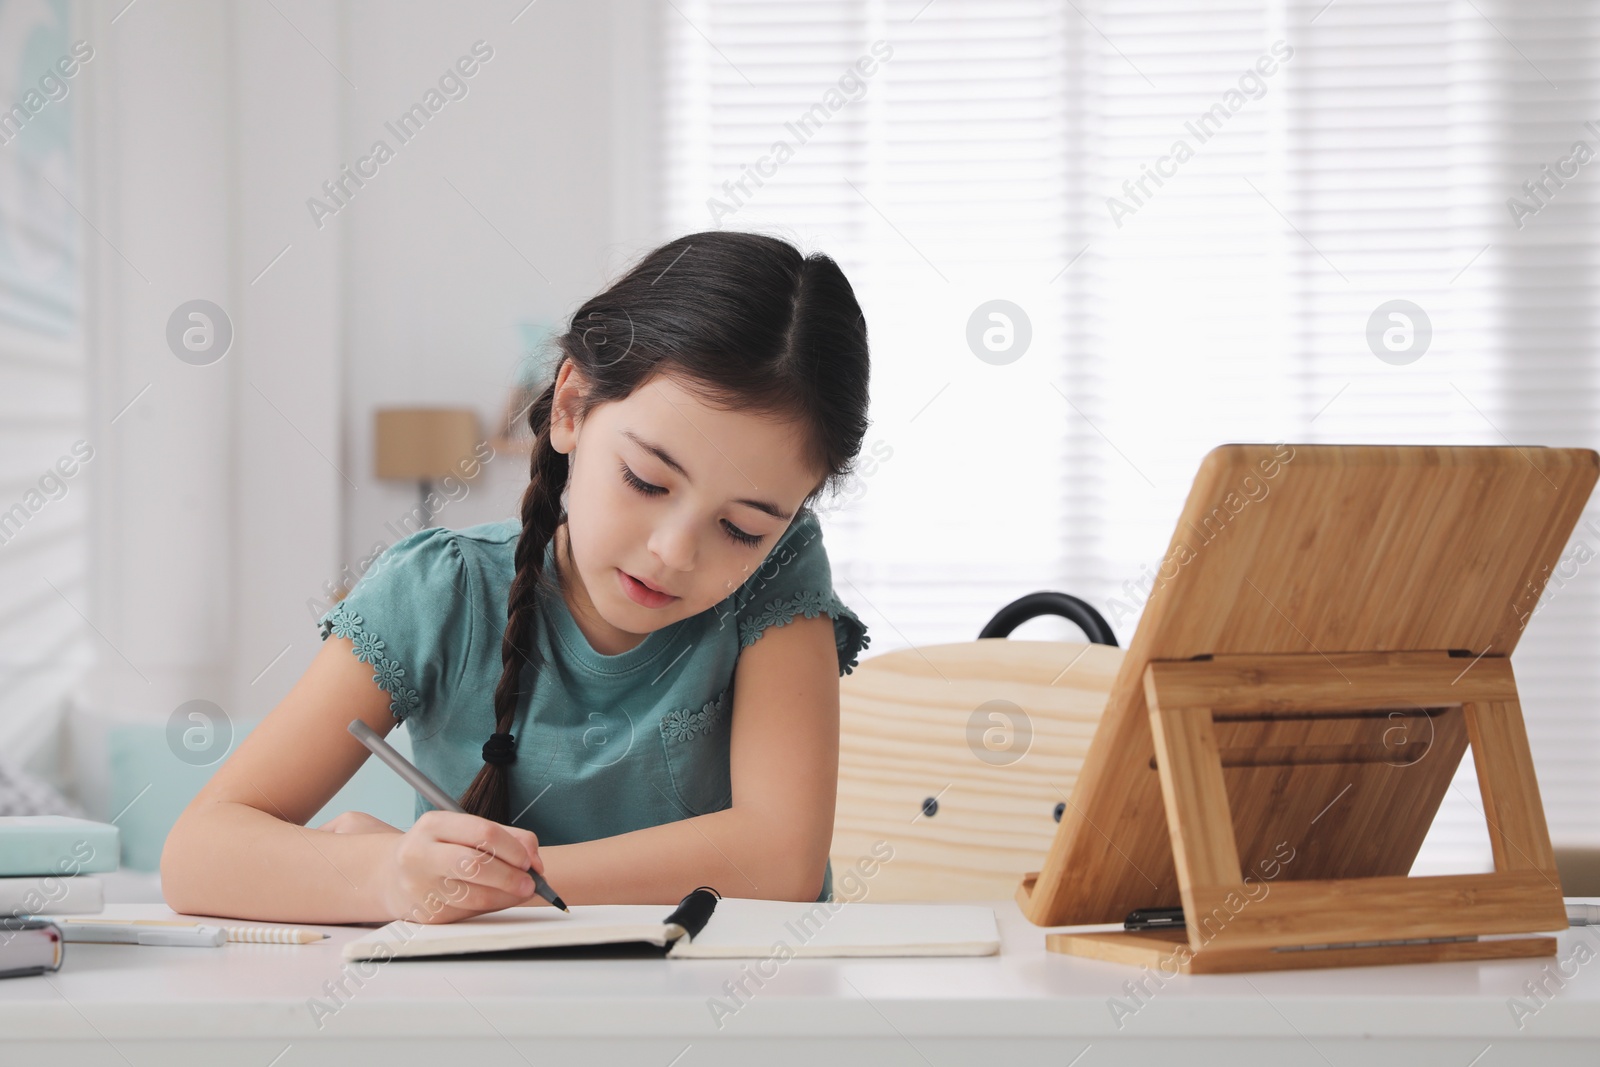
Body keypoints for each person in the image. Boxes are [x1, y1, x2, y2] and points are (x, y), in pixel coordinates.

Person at [159, 231, 873, 925]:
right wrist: (387, 876)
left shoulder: (779, 572)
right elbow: (199, 854)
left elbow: (781, 860)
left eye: (742, 528)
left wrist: (478, 881)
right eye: (647, 480)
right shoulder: (441, 591)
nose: (674, 552)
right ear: (570, 407)